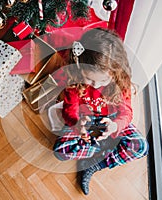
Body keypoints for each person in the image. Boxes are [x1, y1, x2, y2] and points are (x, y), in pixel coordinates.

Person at [53, 28, 149, 195]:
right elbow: (69, 110)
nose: (95, 85)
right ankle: (99, 149)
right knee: (60, 150)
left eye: (103, 80)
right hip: (86, 120)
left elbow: (126, 113)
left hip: (110, 121)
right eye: (89, 78)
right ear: (80, 67)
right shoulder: (74, 79)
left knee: (140, 147)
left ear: (115, 72)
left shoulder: (121, 82)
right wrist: (78, 125)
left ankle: (94, 163)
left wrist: (114, 126)